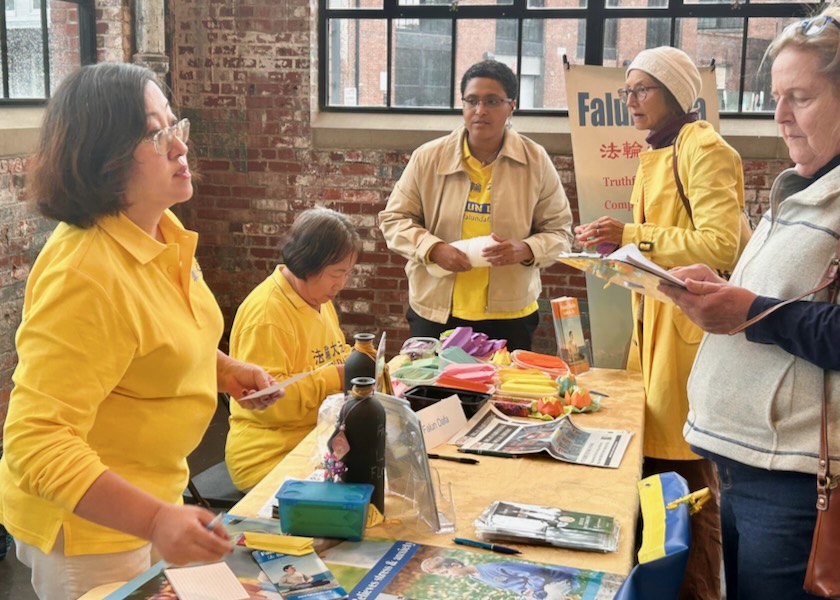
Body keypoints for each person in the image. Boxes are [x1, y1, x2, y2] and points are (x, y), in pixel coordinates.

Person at [0, 63, 283, 600]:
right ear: (104, 159)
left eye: (176, 126)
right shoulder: (85, 272)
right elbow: (36, 440)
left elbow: (157, 338)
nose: (179, 148)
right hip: (88, 527)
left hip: (158, 497)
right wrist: (153, 520)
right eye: (156, 135)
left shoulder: (162, 232)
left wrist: (223, 370)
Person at [660, 7, 840, 599]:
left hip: (796, 486)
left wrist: (752, 312)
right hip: (743, 466)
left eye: (801, 97)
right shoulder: (802, 186)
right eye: (776, 95)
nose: (780, 116)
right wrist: (719, 287)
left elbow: (780, 312)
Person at [575, 46, 747, 599]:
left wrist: (629, 238)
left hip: (688, 347)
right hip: (655, 339)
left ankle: (695, 592)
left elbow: (720, 246)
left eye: (641, 89)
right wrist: (617, 256)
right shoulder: (660, 152)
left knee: (688, 492)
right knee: (659, 485)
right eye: (626, 91)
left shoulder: (705, 148)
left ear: (675, 94)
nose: (629, 101)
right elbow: (664, 253)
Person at [378, 60, 573, 351]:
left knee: (502, 396)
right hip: (437, 311)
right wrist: (433, 249)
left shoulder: (535, 161)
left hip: (509, 313)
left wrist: (526, 249)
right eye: (472, 101)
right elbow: (394, 219)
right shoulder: (429, 157)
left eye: (492, 101)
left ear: (512, 106)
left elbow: (560, 232)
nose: (480, 111)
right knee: (433, 395)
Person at [225, 207, 359, 491]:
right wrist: (336, 377)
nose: (342, 283)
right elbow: (269, 406)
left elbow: (333, 354)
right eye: (336, 273)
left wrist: (360, 362)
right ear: (306, 264)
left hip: (318, 441)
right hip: (270, 456)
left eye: (347, 273)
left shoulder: (317, 297)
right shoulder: (266, 315)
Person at [421, 555, 575, 599]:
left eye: (446, 573)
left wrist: (534, 592)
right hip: (531, 593)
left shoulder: (493, 568)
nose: (449, 577)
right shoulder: (475, 577)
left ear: (455, 565)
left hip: (552, 582)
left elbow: (534, 573)